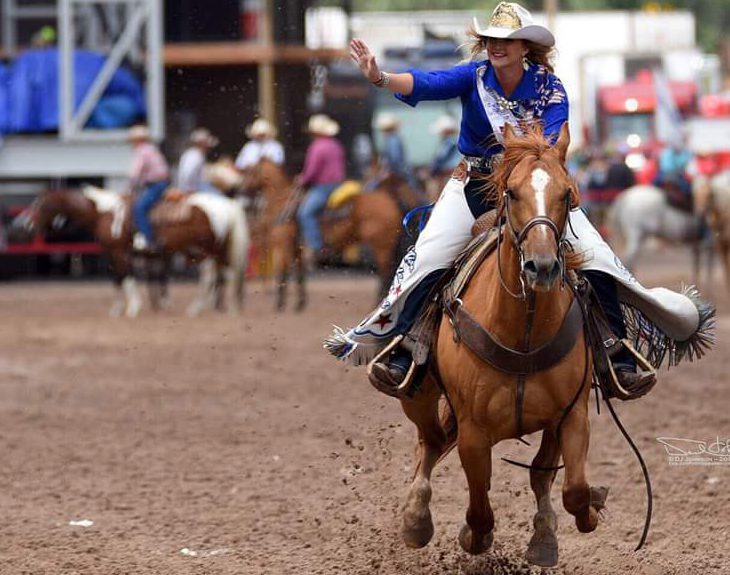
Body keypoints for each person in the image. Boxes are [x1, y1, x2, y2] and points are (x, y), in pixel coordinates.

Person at [328, 1, 657, 395]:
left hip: (533, 190)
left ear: (525, 46)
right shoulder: (474, 76)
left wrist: (532, 172)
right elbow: (427, 83)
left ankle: (614, 349)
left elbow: (553, 145)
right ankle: (406, 344)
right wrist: (380, 77)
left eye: (507, 39)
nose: (496, 45)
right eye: (490, 39)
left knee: (598, 257)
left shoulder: (550, 87)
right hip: (474, 186)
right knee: (429, 257)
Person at [295, 114, 346, 266]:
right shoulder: (336, 144)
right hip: (339, 185)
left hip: (324, 187)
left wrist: (301, 179)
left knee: (305, 213)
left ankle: (316, 247)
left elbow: (312, 171)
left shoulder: (317, 147)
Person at [128, 125, 170, 252]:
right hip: (162, 183)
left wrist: (130, 188)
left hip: (156, 184)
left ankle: (149, 240)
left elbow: (135, 173)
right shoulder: (152, 149)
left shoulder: (142, 151)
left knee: (139, 208)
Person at [375, 113, 420, 191]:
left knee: (371, 187)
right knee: (415, 191)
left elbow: (395, 159)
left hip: (399, 172)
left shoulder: (392, 140)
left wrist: (388, 171)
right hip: (402, 170)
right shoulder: (394, 138)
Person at [177, 128, 219, 194]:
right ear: (201, 144)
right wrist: (190, 190)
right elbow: (187, 174)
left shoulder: (193, 153)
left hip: (194, 188)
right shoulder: (195, 155)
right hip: (192, 190)